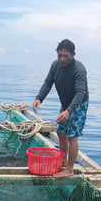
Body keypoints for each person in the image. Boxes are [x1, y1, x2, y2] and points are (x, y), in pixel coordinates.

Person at [33, 39, 89, 177]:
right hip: (65, 105)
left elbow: (80, 93)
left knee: (72, 136)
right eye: (60, 55)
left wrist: (69, 111)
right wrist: (39, 97)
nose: (62, 59)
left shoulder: (79, 70)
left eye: (66, 56)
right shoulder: (55, 65)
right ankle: (63, 161)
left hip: (79, 105)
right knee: (61, 132)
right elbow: (48, 82)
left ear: (73, 54)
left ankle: (69, 169)